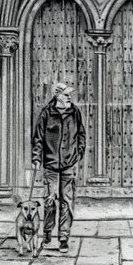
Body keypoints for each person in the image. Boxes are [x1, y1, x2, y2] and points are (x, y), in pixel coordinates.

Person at [32, 82, 86, 251]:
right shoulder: (46, 113)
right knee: (49, 201)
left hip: (69, 164)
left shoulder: (74, 112)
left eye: (69, 94)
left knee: (67, 202)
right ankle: (47, 233)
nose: (69, 97)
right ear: (57, 96)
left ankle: (63, 237)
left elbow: (81, 135)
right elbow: (38, 137)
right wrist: (36, 158)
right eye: (66, 94)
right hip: (50, 164)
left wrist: (78, 155)